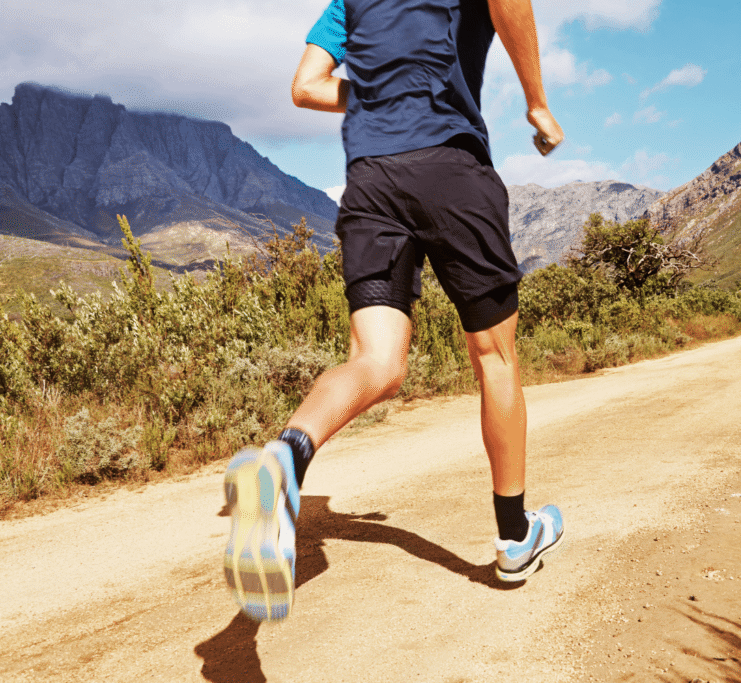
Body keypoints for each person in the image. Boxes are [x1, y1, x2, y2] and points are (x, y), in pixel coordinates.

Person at [222, 0, 566, 623]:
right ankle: (516, 539)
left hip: (372, 181)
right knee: (495, 355)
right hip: (451, 167)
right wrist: (536, 101)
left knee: (377, 362)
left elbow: (306, 88)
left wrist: (382, 101)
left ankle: (283, 460)